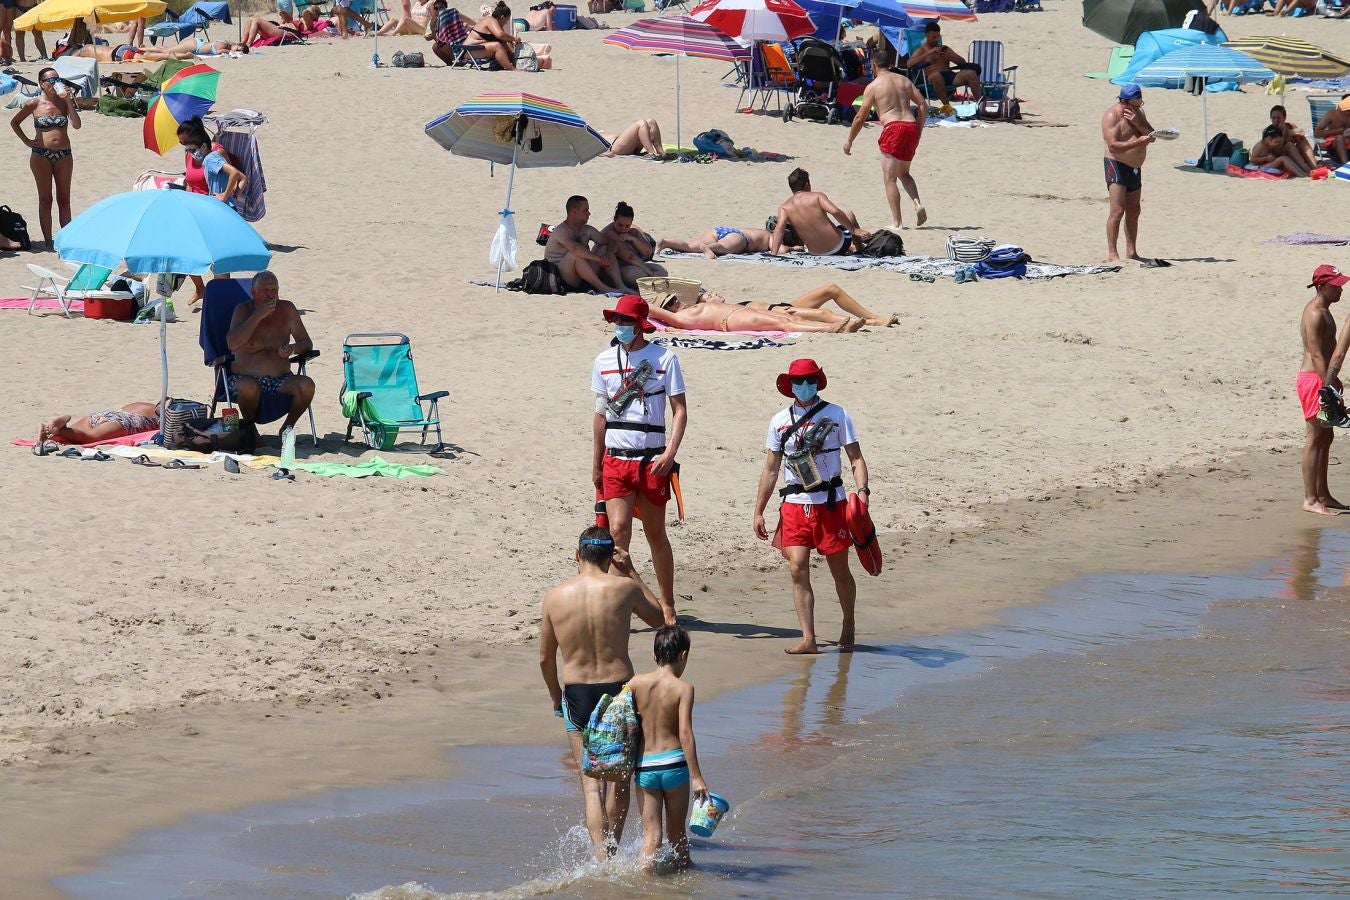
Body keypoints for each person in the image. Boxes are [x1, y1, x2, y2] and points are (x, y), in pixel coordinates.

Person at [538, 527, 665, 861]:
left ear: (576, 554)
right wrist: (632, 571)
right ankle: (615, 850)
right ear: (611, 557)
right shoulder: (625, 588)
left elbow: (544, 658)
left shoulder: (555, 596)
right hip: (620, 688)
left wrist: (556, 698)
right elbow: (660, 620)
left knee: (590, 783)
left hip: (577, 691)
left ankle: (602, 859)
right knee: (620, 779)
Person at [753, 359, 868, 654]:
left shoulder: (837, 414)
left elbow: (855, 457)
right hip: (794, 504)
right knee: (797, 569)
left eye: (811, 380)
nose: (805, 386)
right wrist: (758, 510)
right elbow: (770, 469)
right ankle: (809, 638)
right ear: (789, 386)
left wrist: (863, 492)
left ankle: (849, 622)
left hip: (831, 503)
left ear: (818, 381)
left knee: (839, 571)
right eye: (799, 381)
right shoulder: (778, 421)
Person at [592, 295, 686, 625]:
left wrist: (669, 454)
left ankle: (668, 602)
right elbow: (600, 415)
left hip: (652, 460)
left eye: (626, 321)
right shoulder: (603, 360)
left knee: (655, 533)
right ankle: (620, 607)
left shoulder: (665, 359)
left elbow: (679, 411)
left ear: (640, 324)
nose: (620, 326)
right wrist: (597, 462)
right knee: (617, 531)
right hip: (615, 458)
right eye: (617, 320)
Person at [628, 625, 709, 873]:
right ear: (683, 655)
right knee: (677, 834)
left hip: (645, 767)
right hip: (674, 765)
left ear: (654, 656)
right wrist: (697, 777)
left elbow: (626, 723)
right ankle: (684, 880)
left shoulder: (635, 683)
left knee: (651, 836)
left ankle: (644, 884)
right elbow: (685, 732)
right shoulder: (684, 688)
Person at [844, 44, 928, 230]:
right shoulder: (904, 80)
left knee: (889, 178)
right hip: (911, 126)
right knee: (904, 173)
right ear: (889, 64)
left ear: (873, 65)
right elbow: (923, 105)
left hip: (893, 128)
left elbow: (860, 117)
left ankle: (897, 222)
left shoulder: (873, 86)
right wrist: (919, 129)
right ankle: (917, 203)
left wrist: (849, 141)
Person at [224, 271, 316, 435]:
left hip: (281, 380)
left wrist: (293, 348)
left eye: (274, 290)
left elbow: (306, 343)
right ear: (253, 293)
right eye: (265, 291)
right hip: (245, 379)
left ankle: (287, 429)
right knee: (248, 387)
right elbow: (233, 344)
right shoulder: (243, 310)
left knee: (307, 386)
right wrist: (257, 316)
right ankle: (251, 432)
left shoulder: (287, 309)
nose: (271, 295)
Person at [1297, 264, 1349, 516]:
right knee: (1315, 438)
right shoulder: (1316, 313)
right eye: (1336, 285)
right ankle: (1309, 499)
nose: (1341, 288)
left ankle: (1323, 494)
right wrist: (1328, 388)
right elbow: (1317, 354)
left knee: (1326, 438)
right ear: (1321, 287)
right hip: (1313, 379)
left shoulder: (1325, 311)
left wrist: (1332, 382)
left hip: (1323, 378)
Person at [10, 67, 79, 250]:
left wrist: (69, 101)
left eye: (58, 79)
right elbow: (14, 123)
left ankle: (67, 240)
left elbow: (77, 125)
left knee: (64, 199)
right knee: (45, 199)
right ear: (42, 83)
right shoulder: (34, 103)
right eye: (51, 80)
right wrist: (27, 141)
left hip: (64, 155)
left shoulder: (64, 103)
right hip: (41, 156)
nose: (55, 83)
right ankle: (48, 241)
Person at [178, 117, 242, 304]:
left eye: (184, 142)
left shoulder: (216, 152)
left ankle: (220, 296)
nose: (183, 146)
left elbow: (233, 177)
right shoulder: (189, 154)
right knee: (187, 252)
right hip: (194, 208)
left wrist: (224, 197)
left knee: (217, 257)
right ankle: (200, 288)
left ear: (196, 138)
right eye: (181, 143)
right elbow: (190, 182)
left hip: (213, 210)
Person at [1101, 84, 1162, 266]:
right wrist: (1137, 143)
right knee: (1117, 210)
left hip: (1135, 167)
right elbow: (1113, 145)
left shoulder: (1138, 113)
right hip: (1116, 164)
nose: (1138, 107)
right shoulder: (1112, 115)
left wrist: (1138, 122)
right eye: (1134, 105)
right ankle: (1112, 253)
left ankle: (1132, 251)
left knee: (1134, 209)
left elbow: (1151, 135)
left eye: (1139, 104)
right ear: (1124, 101)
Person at [676, 283, 898, 328]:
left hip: (783, 305)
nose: (712, 293)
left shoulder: (734, 303)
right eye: (707, 296)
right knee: (823, 312)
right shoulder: (728, 311)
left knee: (831, 289)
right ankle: (873, 322)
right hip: (780, 311)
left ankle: (873, 316)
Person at [651, 287, 871, 333]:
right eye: (669, 304)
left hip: (739, 312)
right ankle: (830, 329)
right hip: (731, 320)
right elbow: (648, 308)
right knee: (784, 324)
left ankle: (837, 324)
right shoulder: (677, 318)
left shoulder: (692, 307)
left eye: (674, 299)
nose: (675, 303)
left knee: (785, 316)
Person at [769, 168, 868, 256]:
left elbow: (779, 228)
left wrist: (774, 253)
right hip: (839, 246)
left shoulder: (784, 207)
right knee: (849, 214)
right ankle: (860, 249)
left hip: (816, 252)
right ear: (807, 184)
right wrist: (853, 230)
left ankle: (851, 248)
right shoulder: (817, 196)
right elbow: (835, 211)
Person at [545, 195, 624, 293]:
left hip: (585, 275)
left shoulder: (587, 229)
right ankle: (603, 288)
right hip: (564, 278)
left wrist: (609, 253)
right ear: (574, 212)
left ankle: (620, 285)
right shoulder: (561, 231)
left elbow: (611, 242)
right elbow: (575, 249)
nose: (589, 213)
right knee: (574, 254)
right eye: (585, 210)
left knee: (603, 247)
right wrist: (599, 259)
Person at [904, 21, 981, 116]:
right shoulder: (921, 50)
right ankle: (947, 107)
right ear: (927, 35)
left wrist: (950, 57)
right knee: (936, 76)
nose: (936, 40)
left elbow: (962, 62)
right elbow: (909, 64)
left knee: (971, 73)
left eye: (938, 37)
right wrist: (929, 53)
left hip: (949, 75)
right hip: (932, 77)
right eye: (933, 37)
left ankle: (980, 105)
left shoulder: (944, 48)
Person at [34, 402, 160, 453]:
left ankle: (49, 429)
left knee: (70, 435)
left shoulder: (141, 404)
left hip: (103, 415)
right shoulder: (163, 415)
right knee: (90, 438)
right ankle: (60, 429)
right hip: (126, 422)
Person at [597, 202, 667, 291]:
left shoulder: (633, 231)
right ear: (614, 220)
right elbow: (629, 257)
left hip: (632, 264)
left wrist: (633, 239)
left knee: (662, 271)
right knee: (633, 273)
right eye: (620, 225)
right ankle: (652, 282)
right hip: (613, 270)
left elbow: (648, 252)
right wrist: (651, 273)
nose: (623, 229)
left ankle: (651, 282)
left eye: (627, 226)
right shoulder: (609, 233)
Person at [74, 36, 248, 61]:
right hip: (122, 49)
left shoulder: (85, 51)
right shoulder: (91, 48)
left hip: (122, 53)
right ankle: (180, 56)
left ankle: (181, 56)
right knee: (155, 53)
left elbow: (79, 54)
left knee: (157, 54)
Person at [462, 1, 518, 69]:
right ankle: (512, 69)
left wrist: (511, 45)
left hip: (478, 49)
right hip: (468, 51)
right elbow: (500, 35)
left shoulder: (497, 24)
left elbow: (504, 41)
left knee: (506, 45)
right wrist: (514, 38)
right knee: (497, 46)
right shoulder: (490, 20)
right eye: (506, 21)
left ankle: (516, 64)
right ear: (502, 17)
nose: (506, 23)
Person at [657, 226, 772, 258]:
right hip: (741, 238)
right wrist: (789, 248)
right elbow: (778, 249)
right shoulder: (772, 237)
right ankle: (709, 248)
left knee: (690, 246)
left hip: (721, 230)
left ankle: (666, 242)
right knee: (723, 247)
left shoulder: (760, 230)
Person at [1269, 104, 1317, 171]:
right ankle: (1308, 170)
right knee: (1289, 145)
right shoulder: (1269, 130)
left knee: (1302, 142)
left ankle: (1314, 166)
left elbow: (1301, 132)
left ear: (1284, 118)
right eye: (1273, 118)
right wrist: (1283, 132)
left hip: (1293, 155)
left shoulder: (1290, 126)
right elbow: (1277, 149)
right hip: (1278, 157)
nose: (1276, 120)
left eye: (1278, 118)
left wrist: (1288, 132)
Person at [601, 118, 665, 159]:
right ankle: (652, 154)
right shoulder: (592, 137)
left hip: (626, 144)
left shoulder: (596, 133)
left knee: (651, 122)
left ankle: (661, 153)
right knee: (641, 123)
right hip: (615, 147)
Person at [1313, 96, 1350, 167]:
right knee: (1339, 137)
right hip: (1336, 149)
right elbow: (1317, 133)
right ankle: (1346, 166)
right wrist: (1337, 131)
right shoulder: (1331, 114)